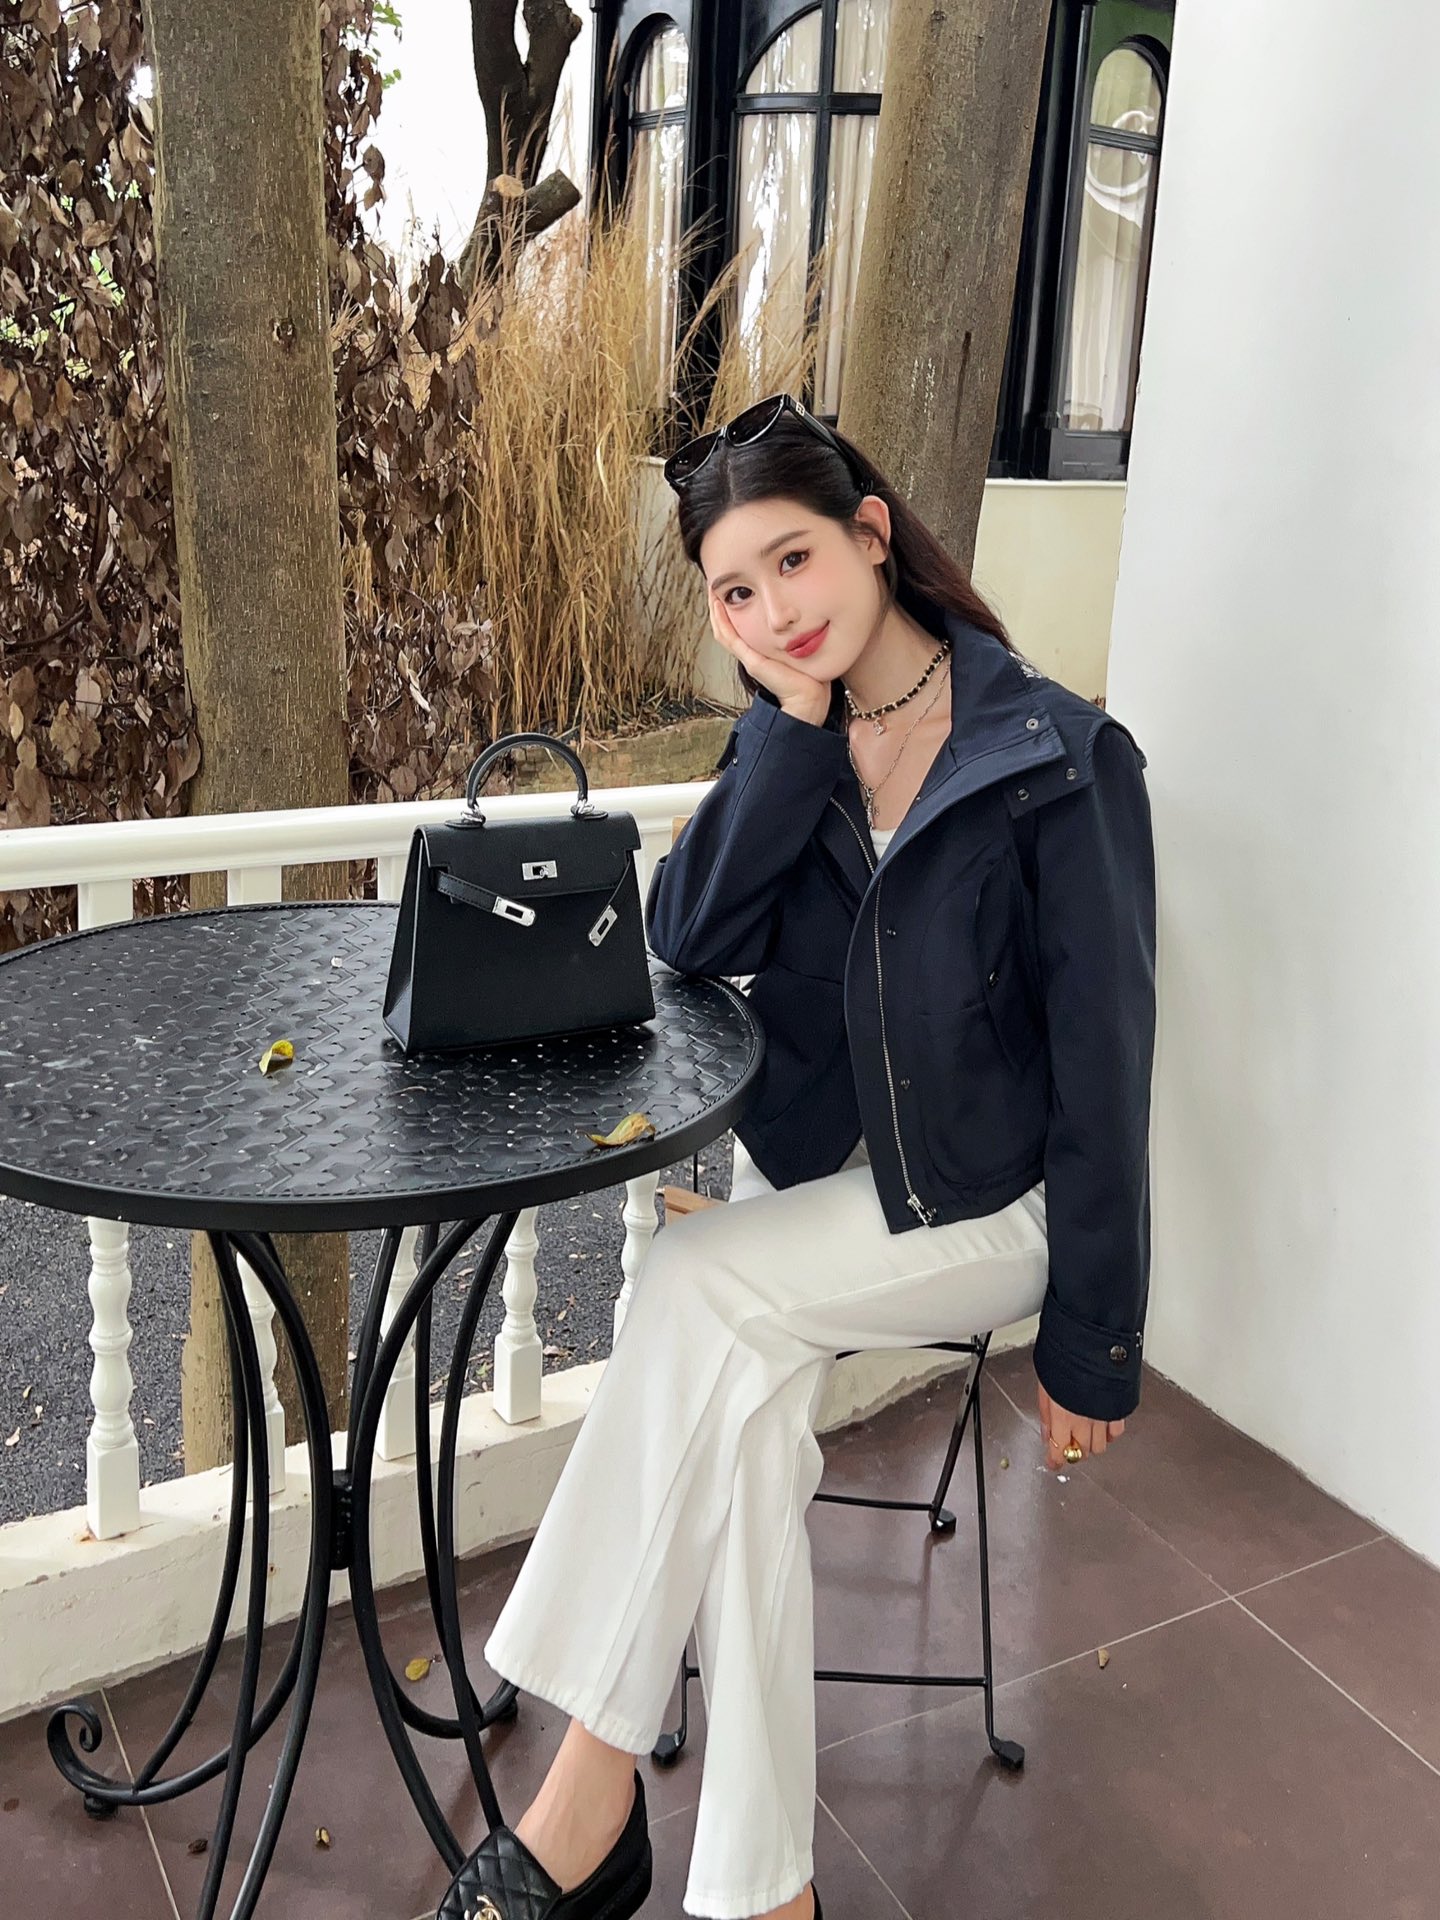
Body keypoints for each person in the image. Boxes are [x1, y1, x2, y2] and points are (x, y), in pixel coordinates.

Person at [439, 393, 1157, 1920]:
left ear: (872, 535)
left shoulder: (1058, 758)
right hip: (826, 1192)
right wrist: (788, 727)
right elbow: (688, 936)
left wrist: (1094, 1338)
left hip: (991, 1198)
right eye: (737, 592)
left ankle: (583, 1800)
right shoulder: (797, 742)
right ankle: (766, 1894)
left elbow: (1108, 1061)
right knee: (750, 1441)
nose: (777, 609)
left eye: (795, 560)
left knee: (694, 1283)